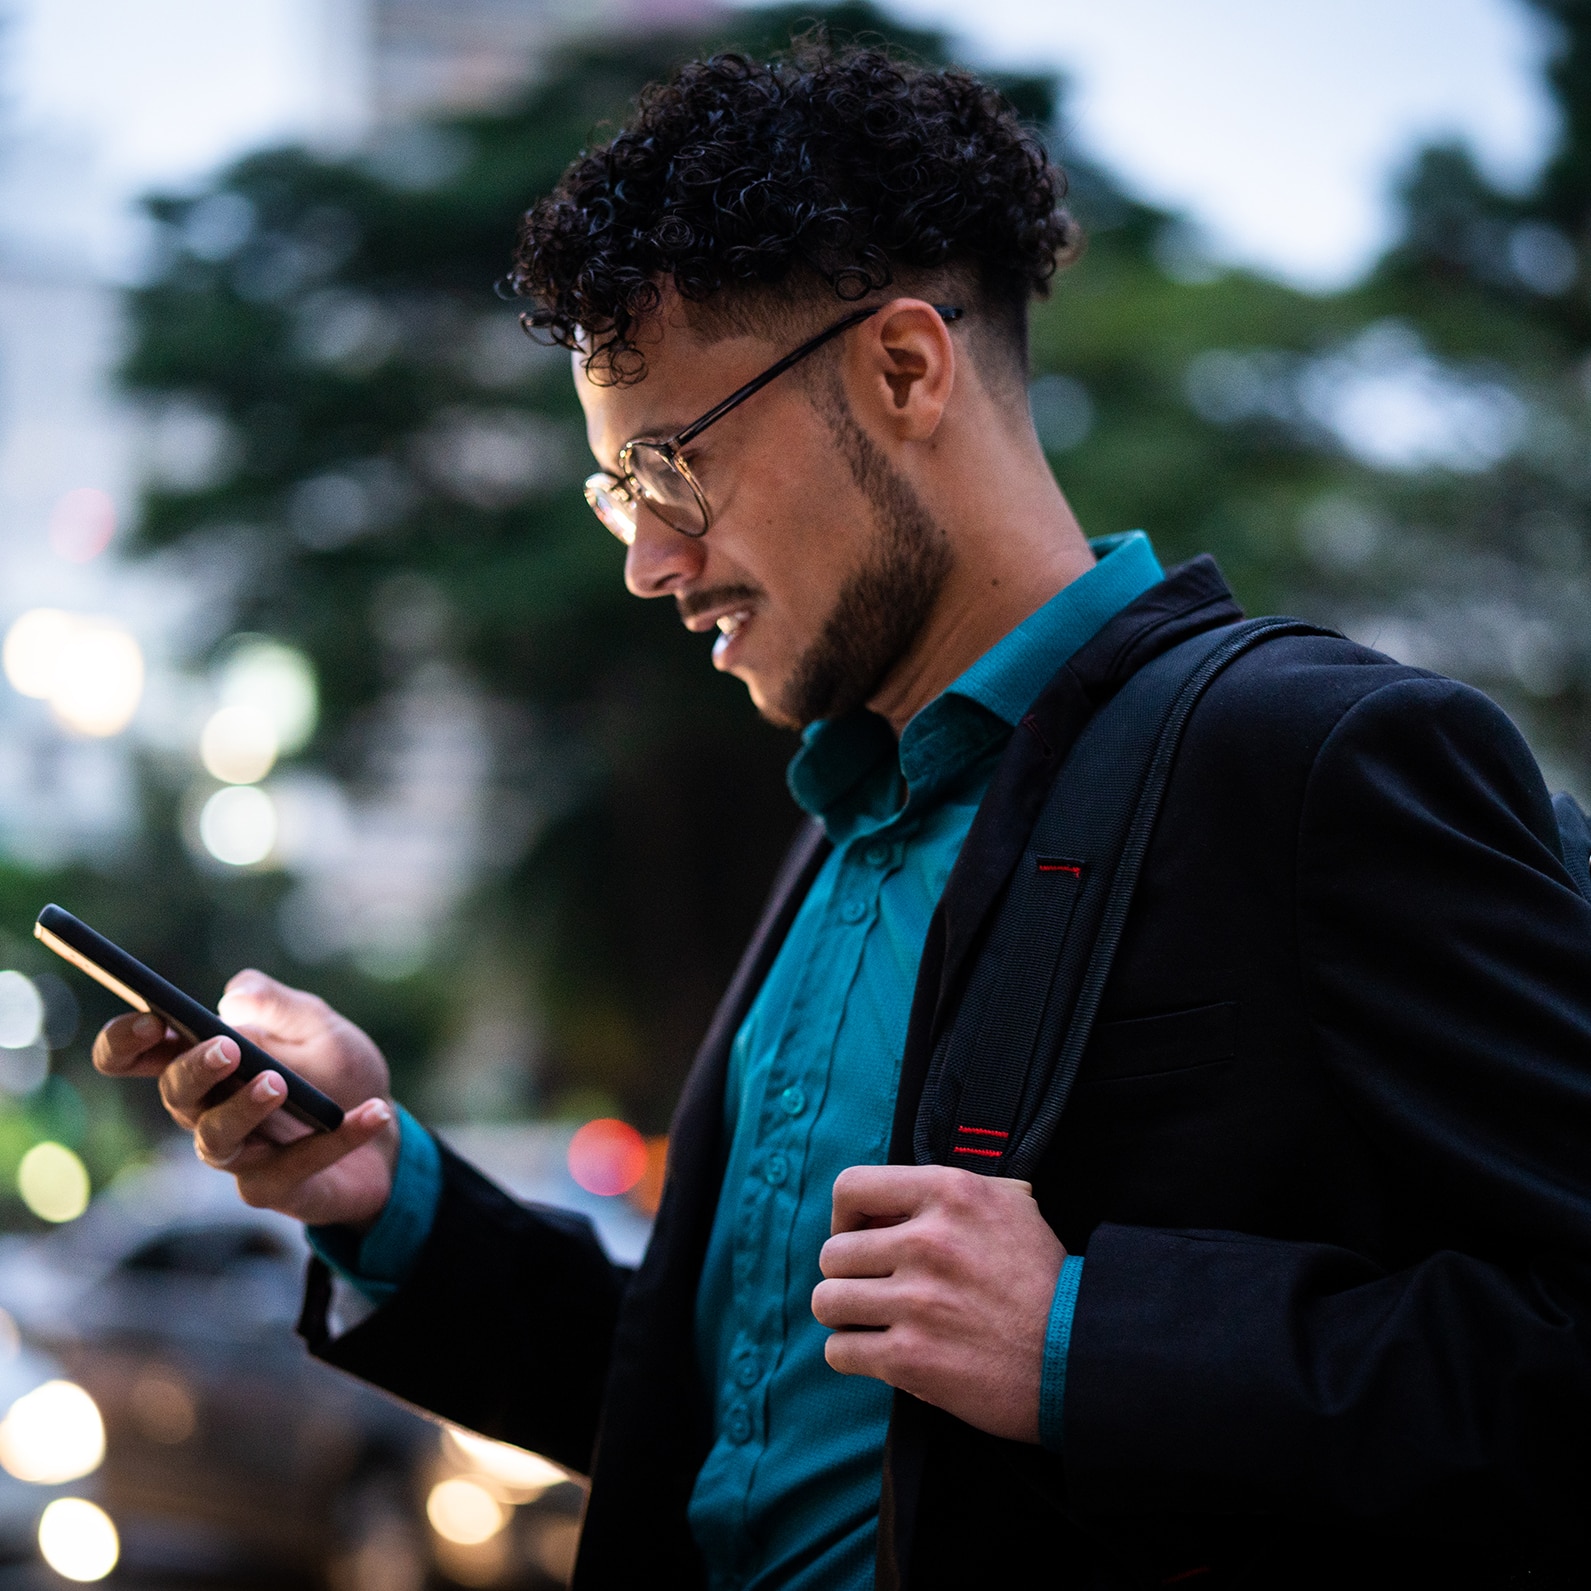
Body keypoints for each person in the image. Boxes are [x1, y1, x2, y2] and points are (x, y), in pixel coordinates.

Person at [95, 39, 1591, 1591]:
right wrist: (384, 1199)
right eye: (618, 496)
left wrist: (1090, 1339)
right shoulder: (840, 831)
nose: (647, 565)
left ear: (903, 369)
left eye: (672, 467)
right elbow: (738, 1421)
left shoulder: (1318, 757)